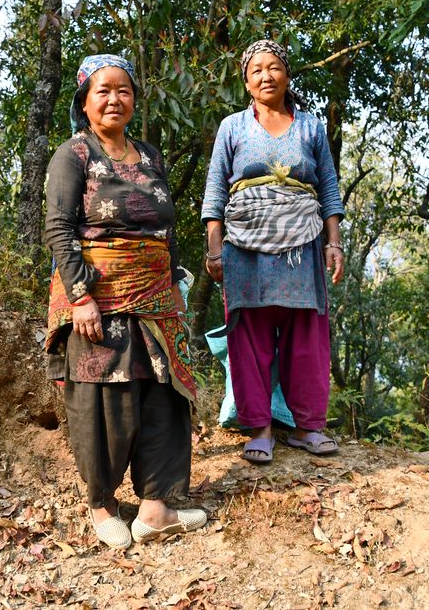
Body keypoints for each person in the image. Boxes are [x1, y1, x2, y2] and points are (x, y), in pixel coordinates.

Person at [43, 54, 206, 548]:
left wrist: (175, 279)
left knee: (164, 395)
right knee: (105, 401)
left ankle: (156, 509)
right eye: (103, 91)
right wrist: (80, 297)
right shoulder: (73, 155)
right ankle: (103, 506)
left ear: (135, 99)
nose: (115, 99)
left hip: (156, 297)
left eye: (124, 90)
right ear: (85, 102)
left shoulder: (151, 156)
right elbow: (58, 227)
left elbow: (165, 226)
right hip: (99, 297)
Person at [200, 39, 345, 464]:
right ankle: (258, 428)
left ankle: (307, 427)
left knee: (306, 336)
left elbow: (329, 189)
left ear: (287, 74)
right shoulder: (232, 127)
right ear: (246, 82)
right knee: (250, 336)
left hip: (303, 239)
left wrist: (332, 243)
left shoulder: (311, 128)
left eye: (274, 67)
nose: (266, 76)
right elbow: (215, 192)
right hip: (244, 244)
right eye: (256, 70)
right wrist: (213, 250)